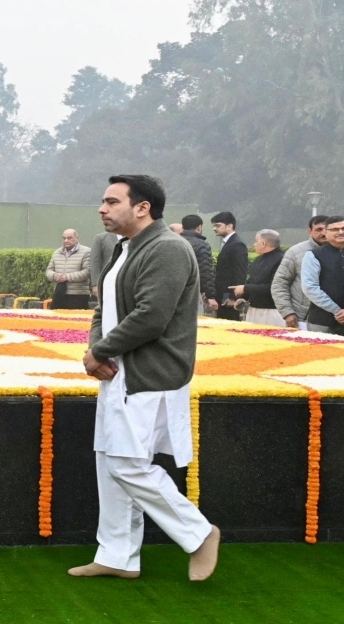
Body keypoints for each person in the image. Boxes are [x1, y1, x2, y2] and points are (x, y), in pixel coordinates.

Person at [70, 174, 220, 583]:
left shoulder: (168, 248)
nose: (102, 209)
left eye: (111, 201)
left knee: (127, 463)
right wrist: (97, 351)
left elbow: (151, 316)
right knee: (109, 461)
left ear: (142, 208)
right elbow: (103, 308)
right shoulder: (124, 247)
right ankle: (117, 555)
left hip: (149, 374)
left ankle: (199, 533)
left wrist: (99, 352)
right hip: (117, 371)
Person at [272, 215, 329, 329]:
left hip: (334, 317)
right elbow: (280, 283)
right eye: (318, 229)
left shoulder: (342, 253)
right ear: (309, 231)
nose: (323, 233)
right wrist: (287, 312)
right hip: (302, 317)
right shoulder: (296, 252)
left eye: (326, 229)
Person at [301, 216, 344, 335]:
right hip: (322, 321)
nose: (341, 232)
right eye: (335, 229)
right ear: (326, 232)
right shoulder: (313, 255)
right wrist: (337, 311)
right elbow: (310, 287)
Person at [227, 229, 285, 327]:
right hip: (254, 309)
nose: (254, 245)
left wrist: (245, 288)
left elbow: (273, 287)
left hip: (272, 311)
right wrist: (243, 297)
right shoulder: (258, 259)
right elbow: (252, 281)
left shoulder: (281, 260)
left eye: (256, 241)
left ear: (263, 243)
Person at [178, 214, 217, 315]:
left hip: (175, 291)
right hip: (193, 292)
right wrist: (210, 296)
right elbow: (205, 271)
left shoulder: (175, 242)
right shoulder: (201, 245)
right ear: (199, 228)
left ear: (183, 227)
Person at [212, 212, 247, 320]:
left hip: (228, 296)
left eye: (218, 225)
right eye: (214, 226)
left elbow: (240, 272)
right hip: (221, 294)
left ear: (229, 226)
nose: (214, 229)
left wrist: (233, 297)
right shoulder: (227, 243)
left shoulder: (237, 245)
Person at [46, 229, 92, 309]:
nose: (66, 240)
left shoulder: (86, 252)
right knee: (55, 316)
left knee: (76, 317)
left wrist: (66, 277)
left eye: (69, 238)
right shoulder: (57, 252)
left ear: (77, 238)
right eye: (64, 238)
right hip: (59, 293)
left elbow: (87, 272)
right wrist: (54, 276)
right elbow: (49, 271)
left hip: (78, 295)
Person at [88, 231, 119, 302]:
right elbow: (95, 262)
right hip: (108, 284)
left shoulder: (135, 236)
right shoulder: (101, 238)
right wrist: (95, 284)